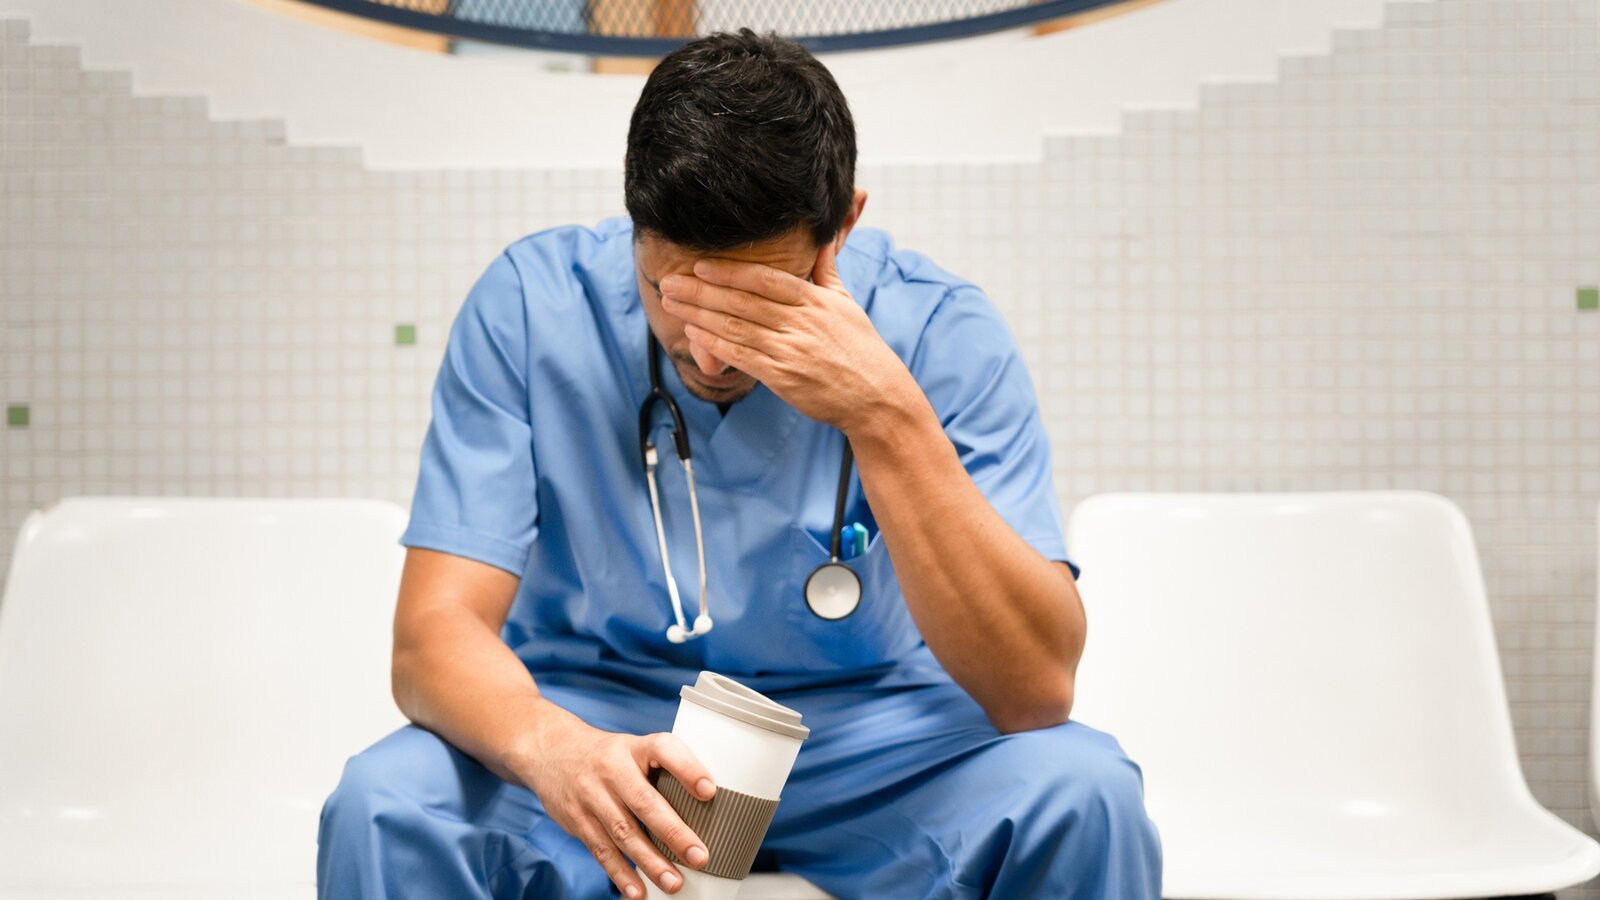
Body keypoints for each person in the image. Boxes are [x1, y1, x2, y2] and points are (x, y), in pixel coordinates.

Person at [317, 28, 1162, 900]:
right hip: (603, 724)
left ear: (841, 228)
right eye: (674, 297)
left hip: (871, 737)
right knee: (387, 804)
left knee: (1083, 794)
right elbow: (432, 635)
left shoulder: (941, 329)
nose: (714, 355)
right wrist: (549, 745)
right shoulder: (531, 307)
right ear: (635, 229)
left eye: (758, 304)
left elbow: (1035, 690)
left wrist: (886, 417)